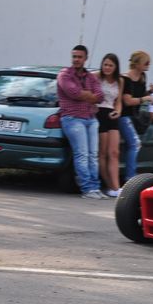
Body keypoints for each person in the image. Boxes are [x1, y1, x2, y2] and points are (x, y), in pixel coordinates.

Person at [56, 44, 105, 199]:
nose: (76, 59)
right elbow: (74, 93)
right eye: (74, 56)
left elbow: (101, 96)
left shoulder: (91, 77)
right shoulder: (64, 74)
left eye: (79, 57)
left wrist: (87, 95)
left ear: (86, 58)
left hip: (91, 119)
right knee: (82, 155)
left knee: (93, 155)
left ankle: (95, 188)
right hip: (73, 119)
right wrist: (90, 96)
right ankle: (87, 189)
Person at [118, 50, 153, 183]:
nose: (148, 65)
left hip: (134, 116)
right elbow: (127, 101)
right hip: (124, 116)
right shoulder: (126, 78)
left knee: (131, 144)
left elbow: (139, 95)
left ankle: (129, 174)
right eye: (146, 62)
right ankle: (130, 178)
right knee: (135, 143)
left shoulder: (142, 76)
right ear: (138, 63)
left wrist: (149, 92)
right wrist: (146, 98)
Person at [95, 53, 123, 197]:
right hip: (99, 113)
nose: (107, 67)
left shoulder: (120, 80)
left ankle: (116, 187)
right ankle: (109, 186)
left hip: (112, 115)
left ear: (116, 67)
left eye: (111, 65)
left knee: (114, 152)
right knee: (103, 153)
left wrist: (118, 112)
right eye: (105, 64)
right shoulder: (96, 76)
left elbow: (118, 102)